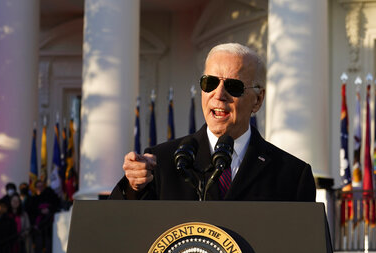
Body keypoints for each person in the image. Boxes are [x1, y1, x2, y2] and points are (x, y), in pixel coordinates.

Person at [112, 42, 316, 203]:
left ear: (258, 99)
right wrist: (133, 188)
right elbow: (117, 226)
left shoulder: (292, 175)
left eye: (233, 86)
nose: (218, 95)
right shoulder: (162, 163)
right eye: (209, 83)